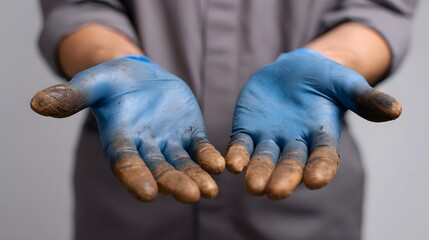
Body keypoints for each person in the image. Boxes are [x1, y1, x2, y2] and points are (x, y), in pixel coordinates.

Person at [32, 0, 416, 239]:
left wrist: (332, 59)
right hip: (132, 193)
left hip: (303, 201)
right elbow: (79, 6)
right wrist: (119, 62)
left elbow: (378, 7)